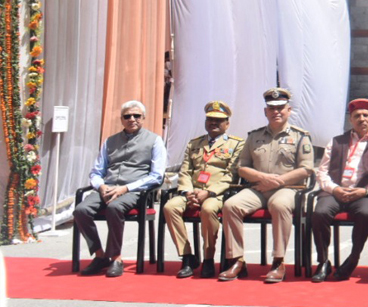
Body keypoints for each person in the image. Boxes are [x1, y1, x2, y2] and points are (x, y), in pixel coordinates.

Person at [218, 87, 315, 283]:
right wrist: (263, 178)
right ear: (265, 112)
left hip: (287, 189)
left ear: (289, 110)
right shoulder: (254, 136)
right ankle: (237, 260)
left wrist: (276, 181)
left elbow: (306, 169)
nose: (276, 112)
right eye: (272, 108)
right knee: (231, 205)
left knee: (279, 205)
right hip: (258, 189)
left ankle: (278, 262)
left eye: (280, 108)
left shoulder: (300, 136)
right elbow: (242, 167)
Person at [75, 100, 166, 277]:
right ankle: (100, 255)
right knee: (81, 210)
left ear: (143, 118)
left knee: (114, 208)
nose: (132, 119)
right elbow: (96, 171)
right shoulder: (110, 141)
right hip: (107, 187)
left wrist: (125, 188)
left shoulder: (155, 141)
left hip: (134, 190)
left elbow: (157, 176)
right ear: (121, 119)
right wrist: (100, 186)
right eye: (127, 116)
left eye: (136, 116)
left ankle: (116, 257)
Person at [310, 98, 368, 282]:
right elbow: (322, 172)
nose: (362, 119)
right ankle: (323, 262)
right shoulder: (336, 142)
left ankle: (353, 258)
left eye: (366, 115)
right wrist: (334, 189)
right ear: (351, 119)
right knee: (319, 213)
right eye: (357, 116)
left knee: (366, 213)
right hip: (335, 192)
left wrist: (366, 192)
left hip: (362, 193)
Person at [162, 101, 244, 279]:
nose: (213, 123)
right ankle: (187, 257)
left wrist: (209, 192)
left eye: (218, 120)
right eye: (210, 119)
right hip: (192, 191)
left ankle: (208, 258)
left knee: (207, 209)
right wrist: (187, 191)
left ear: (227, 124)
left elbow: (231, 175)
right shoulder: (195, 143)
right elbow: (185, 170)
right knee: (170, 207)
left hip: (217, 193)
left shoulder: (236, 144)